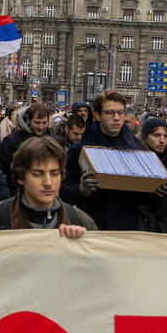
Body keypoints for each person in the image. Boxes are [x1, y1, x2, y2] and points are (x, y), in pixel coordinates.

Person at [60, 90, 157, 231]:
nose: (117, 118)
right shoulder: (79, 150)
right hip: (90, 227)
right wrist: (82, 190)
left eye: (120, 112)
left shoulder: (138, 150)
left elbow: (143, 200)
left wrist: (154, 191)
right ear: (97, 115)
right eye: (110, 113)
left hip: (126, 229)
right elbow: (64, 192)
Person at [0, 136, 95, 235]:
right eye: (37, 174)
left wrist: (82, 246)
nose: (48, 182)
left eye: (54, 173)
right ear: (21, 177)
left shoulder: (80, 221)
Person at [138, 118, 167, 233]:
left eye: (165, 136)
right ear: (145, 136)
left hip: (163, 229)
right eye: (156, 135)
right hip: (136, 227)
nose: (162, 140)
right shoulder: (135, 160)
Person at [0, 103, 54, 189]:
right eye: (37, 123)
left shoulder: (53, 140)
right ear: (28, 120)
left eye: (44, 123)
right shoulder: (12, 141)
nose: (41, 127)